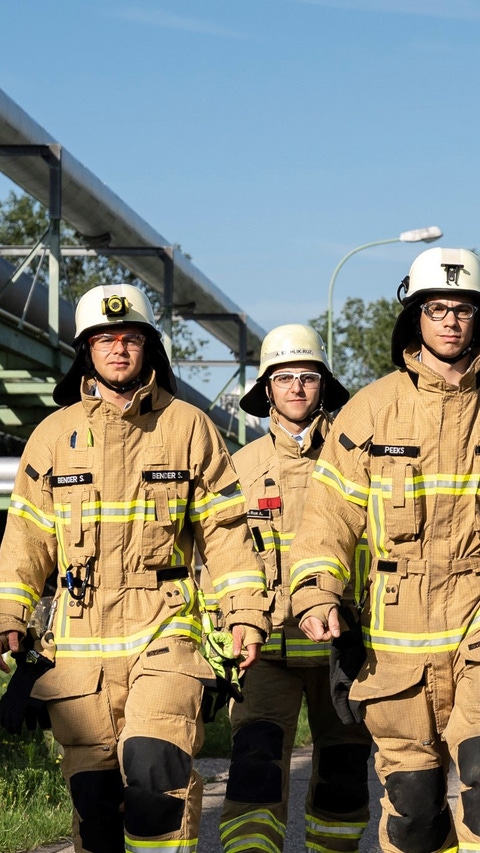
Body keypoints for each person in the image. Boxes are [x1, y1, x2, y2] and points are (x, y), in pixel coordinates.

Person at [0, 283, 270, 853]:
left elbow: (226, 532)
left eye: (130, 338)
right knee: (95, 804)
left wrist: (246, 613)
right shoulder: (52, 437)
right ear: (86, 351)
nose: (118, 349)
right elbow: (25, 538)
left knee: (155, 771)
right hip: (80, 646)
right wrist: (9, 613)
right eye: (104, 339)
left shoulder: (189, 427)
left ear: (148, 347)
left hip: (165, 630)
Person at [289, 246, 480, 853]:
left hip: (477, 607)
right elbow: (329, 516)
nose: (451, 321)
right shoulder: (371, 409)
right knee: (416, 810)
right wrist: (317, 592)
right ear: (415, 317)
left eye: (463, 309)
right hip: (397, 633)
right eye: (437, 308)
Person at [219, 324, 372, 853]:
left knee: (344, 770)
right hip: (267, 649)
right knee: (254, 765)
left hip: (342, 644)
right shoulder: (239, 468)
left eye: (308, 376)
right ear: (267, 389)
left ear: (323, 385)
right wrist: (225, 629)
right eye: (284, 378)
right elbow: (219, 556)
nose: (297, 388)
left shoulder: (356, 458)